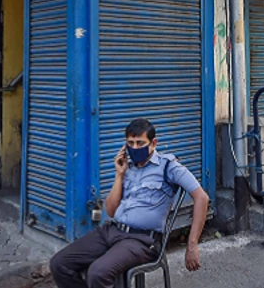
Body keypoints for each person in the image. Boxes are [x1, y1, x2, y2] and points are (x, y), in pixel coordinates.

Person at [50, 118, 211, 288]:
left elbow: (202, 197)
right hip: (112, 231)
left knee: (98, 273)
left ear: (153, 143)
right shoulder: (128, 167)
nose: (134, 148)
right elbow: (111, 211)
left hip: (142, 240)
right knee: (59, 264)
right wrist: (119, 174)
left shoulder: (168, 167)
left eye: (140, 143)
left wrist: (192, 244)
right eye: (130, 143)